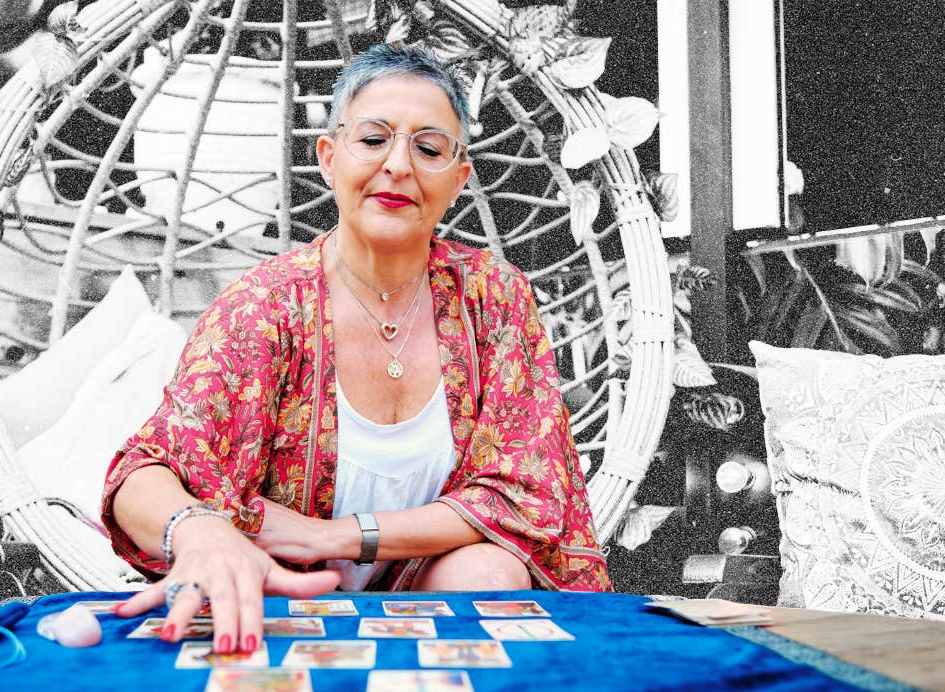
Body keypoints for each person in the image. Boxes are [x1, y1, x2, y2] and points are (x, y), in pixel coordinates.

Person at [103, 43, 611, 655]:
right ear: (328, 157)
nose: (398, 165)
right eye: (372, 140)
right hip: (283, 597)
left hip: (427, 593)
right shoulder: (266, 307)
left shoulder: (493, 298)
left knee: (493, 575)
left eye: (428, 149)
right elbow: (145, 470)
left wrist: (333, 536)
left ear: (458, 178)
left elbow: (525, 495)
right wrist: (198, 530)